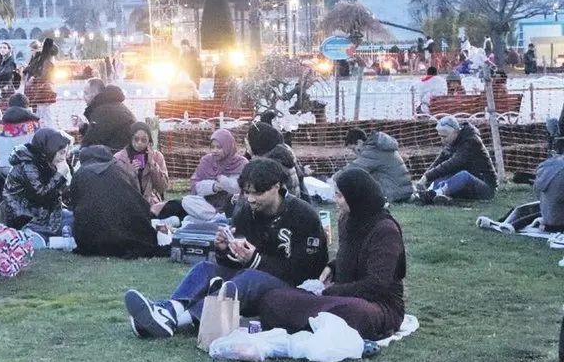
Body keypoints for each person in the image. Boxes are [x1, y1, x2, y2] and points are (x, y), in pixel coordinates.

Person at [124, 158, 328, 338]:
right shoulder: (246, 212)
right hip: (249, 275)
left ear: (276, 186)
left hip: (289, 287)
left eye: (258, 193)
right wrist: (224, 250)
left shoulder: (303, 216)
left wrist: (255, 260)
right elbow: (232, 263)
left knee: (248, 278)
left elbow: (307, 272)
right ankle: (170, 311)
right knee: (205, 268)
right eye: (247, 192)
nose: (251, 199)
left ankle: (173, 318)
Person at [259, 168, 407, 340]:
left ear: (357, 198)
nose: (334, 200)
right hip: (339, 297)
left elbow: (376, 285)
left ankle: (305, 320)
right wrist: (332, 267)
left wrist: (332, 292)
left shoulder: (385, 230)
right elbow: (353, 256)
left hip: (377, 305)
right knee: (274, 298)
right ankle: (311, 318)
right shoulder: (347, 220)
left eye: (340, 196)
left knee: (356, 313)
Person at [69, 145, 160, 259]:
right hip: (122, 239)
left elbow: (74, 204)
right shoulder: (118, 171)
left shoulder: (80, 174)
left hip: (89, 241)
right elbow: (137, 203)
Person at [2, 128, 71, 238]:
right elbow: (41, 196)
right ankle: (32, 234)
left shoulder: (44, 161)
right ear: (50, 149)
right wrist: (59, 175)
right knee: (69, 221)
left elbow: (58, 193)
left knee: (75, 218)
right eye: (61, 153)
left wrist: (67, 176)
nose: (63, 157)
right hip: (25, 217)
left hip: (42, 212)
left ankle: (58, 233)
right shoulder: (28, 165)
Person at [415, 115, 497, 203]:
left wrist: (428, 176)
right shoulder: (453, 141)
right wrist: (424, 179)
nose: (442, 140)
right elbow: (439, 162)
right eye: (441, 136)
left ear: (455, 132)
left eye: (445, 136)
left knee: (463, 175)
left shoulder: (471, 141)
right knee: (440, 176)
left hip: (486, 188)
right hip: (466, 186)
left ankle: (435, 194)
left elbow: (455, 162)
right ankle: (426, 193)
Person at [341, 128, 414, 203]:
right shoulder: (379, 147)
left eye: (353, 149)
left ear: (359, 142)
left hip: (394, 193)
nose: (354, 152)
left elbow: (354, 169)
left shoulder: (373, 151)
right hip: (401, 191)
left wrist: (333, 179)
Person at [246, 120, 309, 202]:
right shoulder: (282, 157)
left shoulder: (267, 166)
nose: (246, 143)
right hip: (293, 208)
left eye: (248, 139)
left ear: (257, 142)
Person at [113, 122, 169, 207]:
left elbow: (162, 187)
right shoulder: (119, 158)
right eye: (136, 139)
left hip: (151, 204)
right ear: (130, 139)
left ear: (149, 141)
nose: (139, 143)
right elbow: (116, 188)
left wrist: (152, 164)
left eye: (144, 140)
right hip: (127, 204)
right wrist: (129, 172)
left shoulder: (157, 156)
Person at [80, 84, 137, 150]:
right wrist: (83, 127)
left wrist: (81, 151)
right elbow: (100, 133)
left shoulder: (103, 110)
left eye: (86, 93)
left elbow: (92, 141)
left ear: (95, 93)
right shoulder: (113, 106)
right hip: (126, 150)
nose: (83, 97)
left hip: (118, 154)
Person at [22, 37, 59, 119]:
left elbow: (43, 77)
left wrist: (33, 79)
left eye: (42, 46)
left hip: (43, 92)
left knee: (44, 114)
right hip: (42, 92)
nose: (40, 48)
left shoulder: (47, 62)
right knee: (43, 113)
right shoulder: (46, 60)